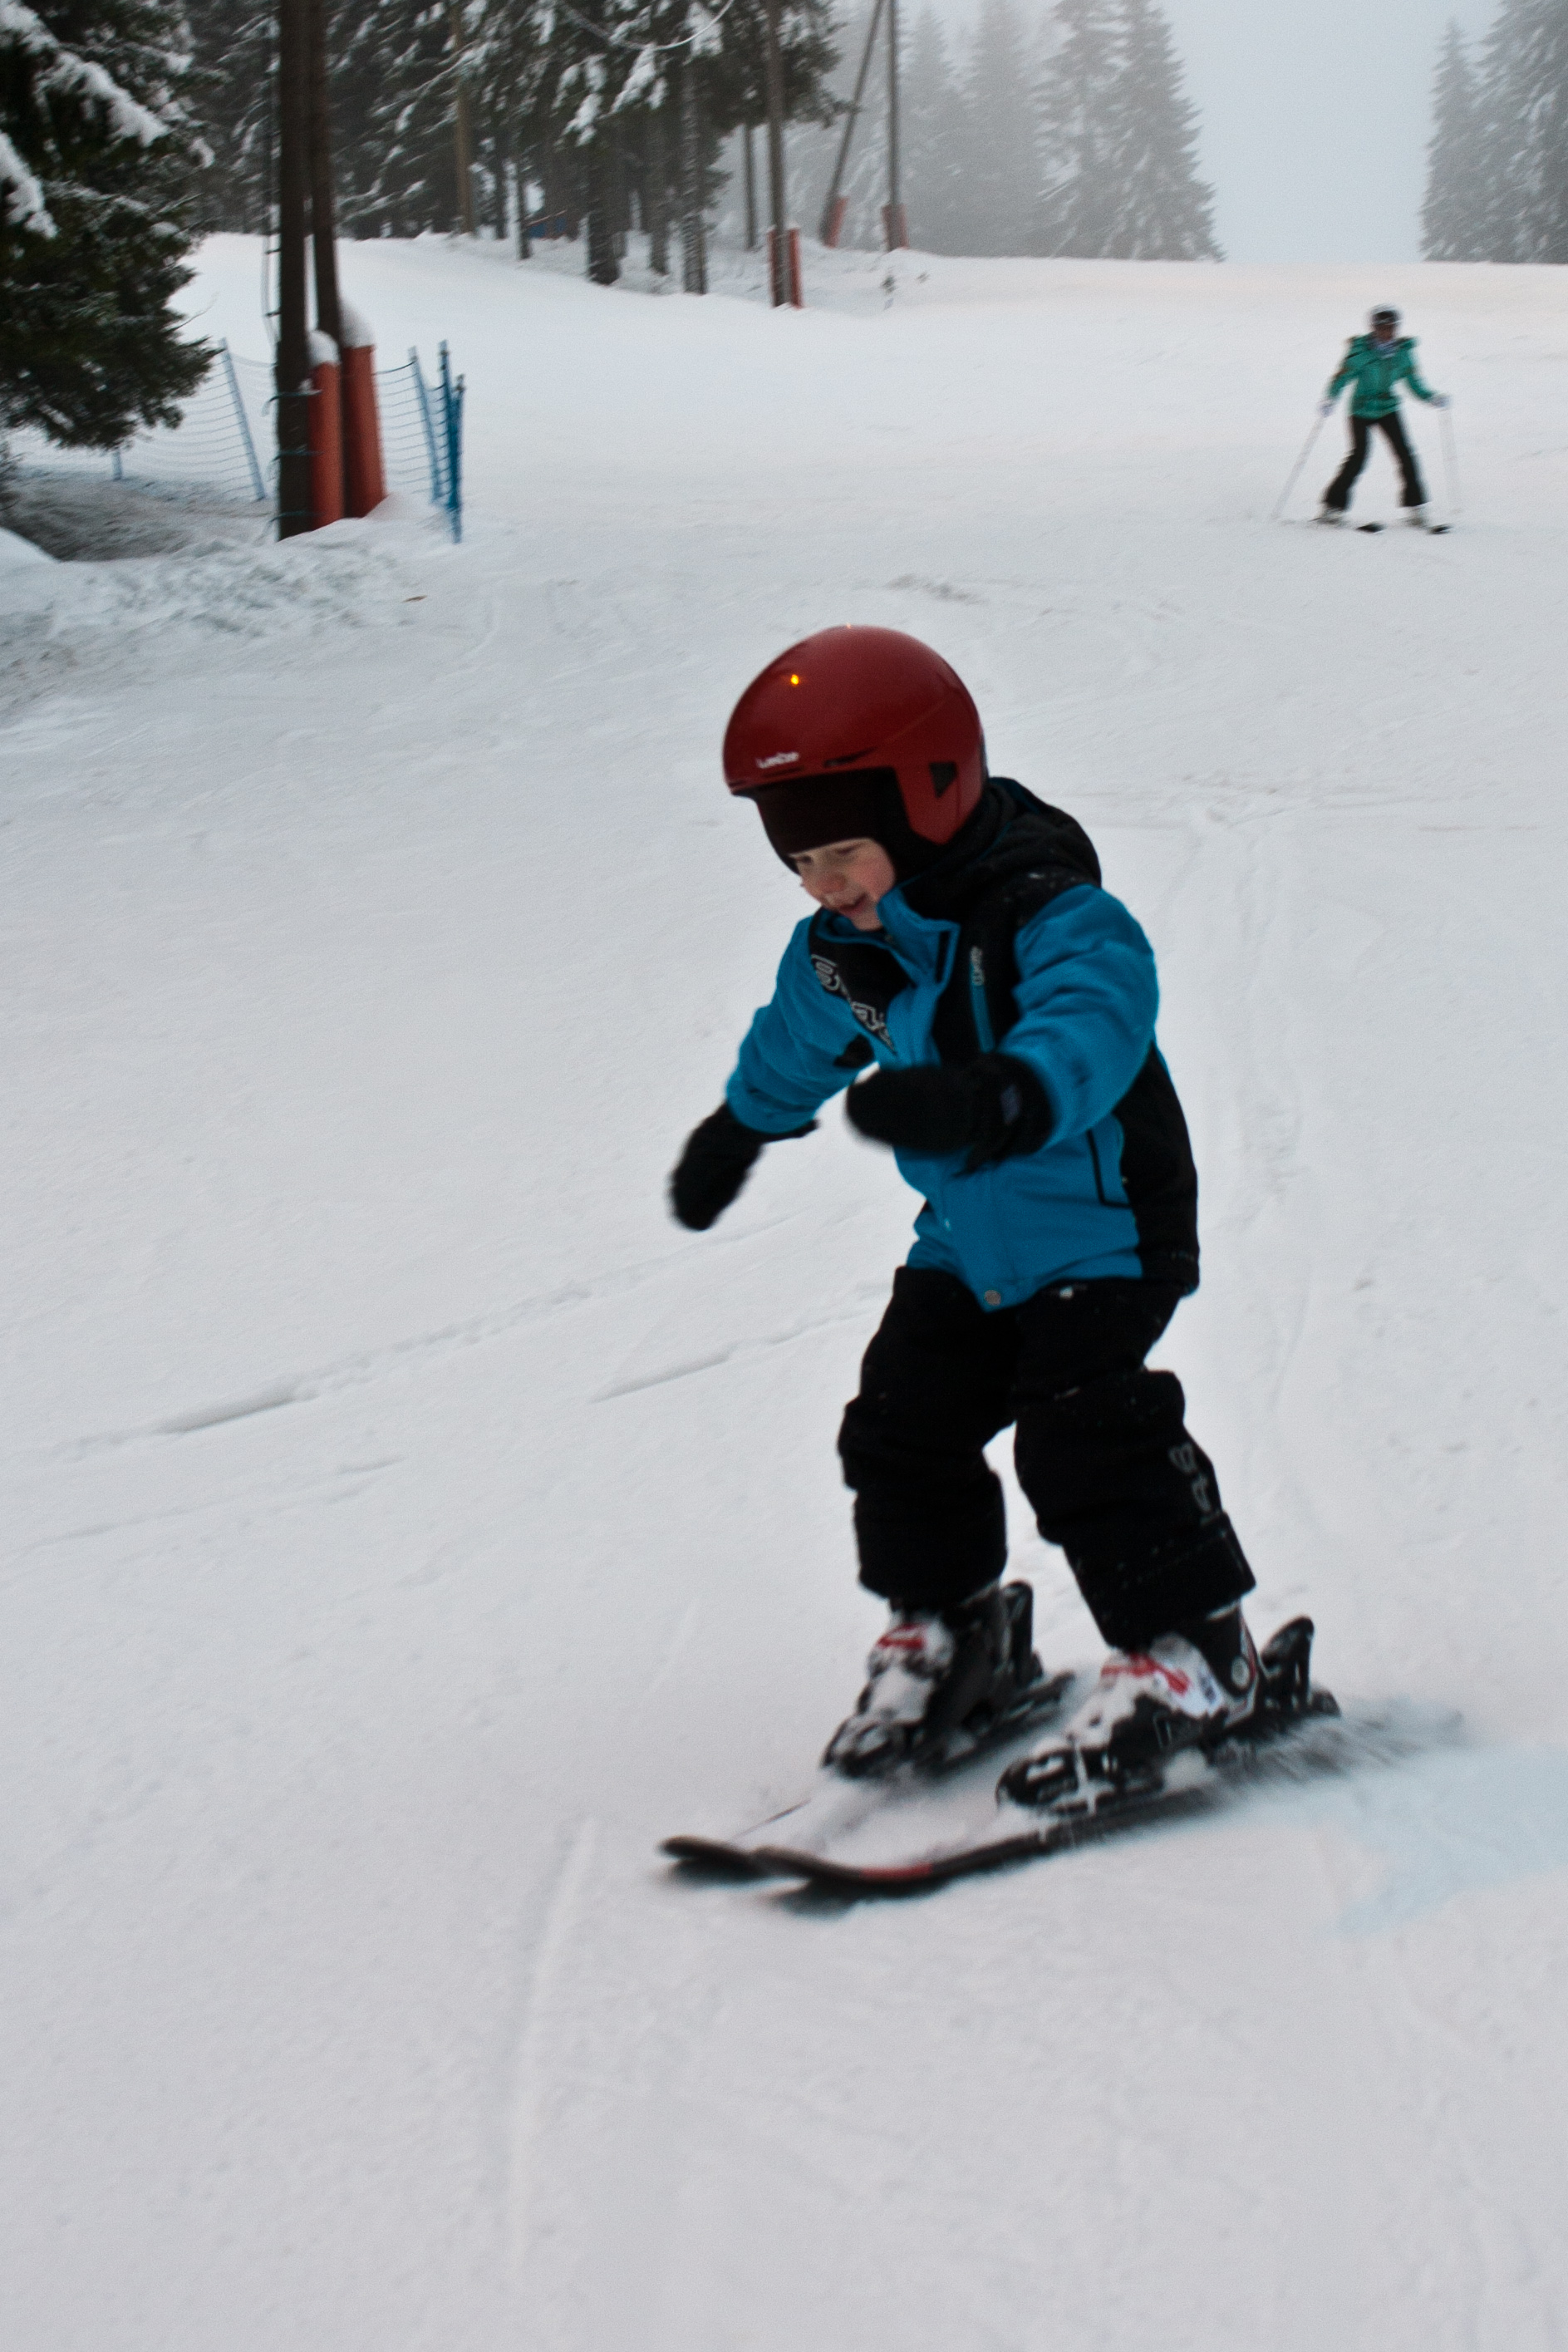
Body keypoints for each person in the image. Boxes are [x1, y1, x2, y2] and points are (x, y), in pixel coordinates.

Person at [668, 625, 1269, 1813]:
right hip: (966, 1239)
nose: (824, 884)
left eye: (844, 852)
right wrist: (740, 1126)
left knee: (1082, 1432)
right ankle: (955, 1633)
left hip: (1104, 1229)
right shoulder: (842, 948)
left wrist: (998, 1093)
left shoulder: (1049, 913)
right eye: (800, 863)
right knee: (901, 1424)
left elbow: (1096, 1018)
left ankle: (1198, 1657)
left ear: (929, 799)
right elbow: (797, 1039)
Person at [1318, 305, 1448, 526]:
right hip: (1361, 410)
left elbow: (1413, 381)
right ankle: (1332, 508)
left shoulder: (1403, 353)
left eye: (1392, 328)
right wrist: (1330, 398)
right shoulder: (1360, 352)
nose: (1388, 332)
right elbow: (1342, 377)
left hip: (1388, 409)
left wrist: (1430, 397)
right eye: (1383, 328)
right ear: (1374, 328)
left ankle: (1416, 509)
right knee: (1358, 457)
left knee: (1405, 455)